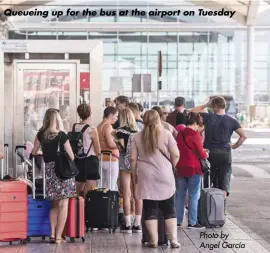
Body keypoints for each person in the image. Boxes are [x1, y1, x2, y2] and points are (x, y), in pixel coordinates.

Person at [130, 110, 180, 248]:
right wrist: (171, 167)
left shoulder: (137, 137)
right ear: (158, 120)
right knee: (169, 208)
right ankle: (174, 240)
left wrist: (134, 174)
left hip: (146, 176)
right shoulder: (167, 134)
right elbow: (175, 155)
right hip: (165, 173)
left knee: (150, 207)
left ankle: (153, 240)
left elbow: (133, 159)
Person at [31, 108, 76, 244]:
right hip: (63, 172)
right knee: (64, 204)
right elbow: (72, 157)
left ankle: (51, 233)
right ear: (58, 120)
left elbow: (33, 152)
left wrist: (44, 152)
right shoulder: (62, 135)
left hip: (49, 171)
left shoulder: (41, 134)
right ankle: (58, 236)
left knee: (54, 204)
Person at [195, 96, 247, 199]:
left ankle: (208, 204)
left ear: (213, 106)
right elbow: (243, 136)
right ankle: (221, 206)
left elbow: (191, 111)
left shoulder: (208, 117)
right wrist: (235, 146)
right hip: (225, 153)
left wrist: (206, 104)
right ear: (224, 106)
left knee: (208, 179)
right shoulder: (232, 120)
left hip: (210, 153)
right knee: (224, 180)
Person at [175, 112, 208, 229]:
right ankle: (192, 222)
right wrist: (206, 153)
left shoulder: (180, 134)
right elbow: (201, 153)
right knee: (194, 194)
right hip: (193, 168)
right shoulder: (194, 135)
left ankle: (178, 221)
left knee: (179, 194)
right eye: (198, 124)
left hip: (180, 167)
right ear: (195, 123)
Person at [116, 108, 142, 233]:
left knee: (126, 193)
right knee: (138, 194)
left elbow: (120, 148)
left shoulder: (119, 132)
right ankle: (137, 224)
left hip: (124, 164)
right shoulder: (138, 131)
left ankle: (127, 224)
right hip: (137, 163)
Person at [74, 103, 101, 197]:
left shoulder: (74, 127)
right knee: (90, 190)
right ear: (90, 113)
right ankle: (86, 209)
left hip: (78, 160)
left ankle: (76, 209)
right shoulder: (92, 129)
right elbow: (98, 149)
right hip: (90, 160)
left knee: (77, 188)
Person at [97, 107, 119, 190]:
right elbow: (110, 144)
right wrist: (121, 146)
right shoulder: (108, 126)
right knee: (111, 187)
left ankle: (101, 202)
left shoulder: (99, 126)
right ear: (110, 115)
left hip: (101, 159)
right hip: (111, 159)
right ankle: (110, 202)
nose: (117, 119)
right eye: (116, 116)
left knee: (101, 186)